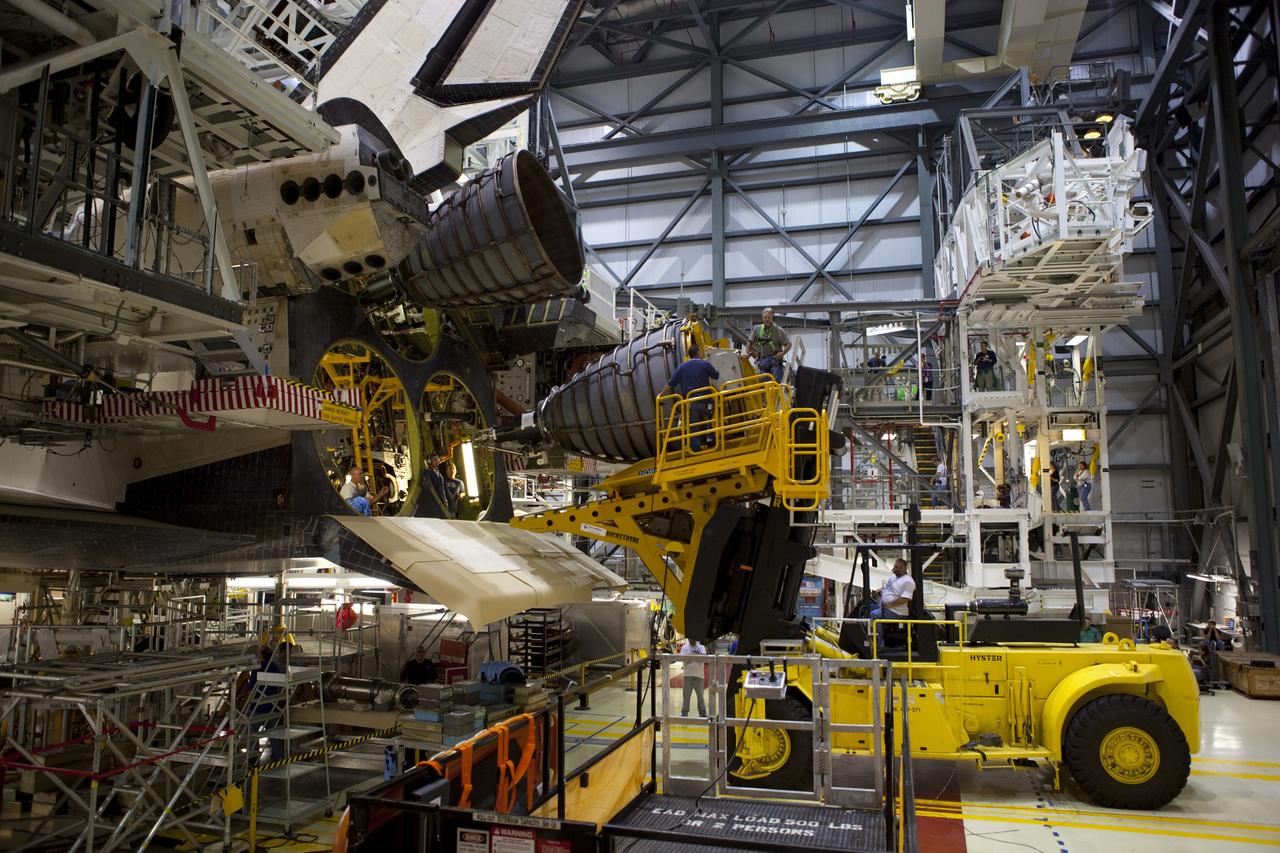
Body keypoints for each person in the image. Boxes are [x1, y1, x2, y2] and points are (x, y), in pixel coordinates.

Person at [661, 345, 720, 451]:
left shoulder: (682, 367)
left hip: (691, 402)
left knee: (693, 426)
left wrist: (661, 395)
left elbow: (670, 384)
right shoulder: (705, 364)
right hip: (706, 400)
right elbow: (716, 376)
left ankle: (695, 448)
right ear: (698, 351)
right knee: (712, 417)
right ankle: (710, 438)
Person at [870, 558, 915, 649]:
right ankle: (868, 637)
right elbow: (887, 587)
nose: (897, 569)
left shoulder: (908, 581)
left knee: (874, 615)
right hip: (885, 606)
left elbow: (906, 598)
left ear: (905, 568)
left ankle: (879, 645)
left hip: (897, 611)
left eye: (900, 567)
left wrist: (891, 604)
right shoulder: (893, 577)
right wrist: (880, 590)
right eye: (895, 566)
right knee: (867, 606)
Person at [747, 308, 791, 382]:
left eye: (769, 317)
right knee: (765, 385)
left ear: (772, 318)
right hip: (762, 361)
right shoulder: (757, 329)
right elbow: (749, 342)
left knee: (776, 383)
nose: (767, 319)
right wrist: (746, 353)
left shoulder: (778, 330)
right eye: (765, 317)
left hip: (775, 361)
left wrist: (783, 353)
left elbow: (788, 344)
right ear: (762, 317)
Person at [678, 637, 707, 718]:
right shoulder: (684, 647)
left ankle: (703, 713)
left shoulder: (701, 647)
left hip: (699, 676)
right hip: (687, 675)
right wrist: (695, 656)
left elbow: (702, 659)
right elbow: (682, 659)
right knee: (686, 696)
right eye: (690, 638)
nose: (691, 639)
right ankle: (684, 713)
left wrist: (690, 657)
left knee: (700, 696)